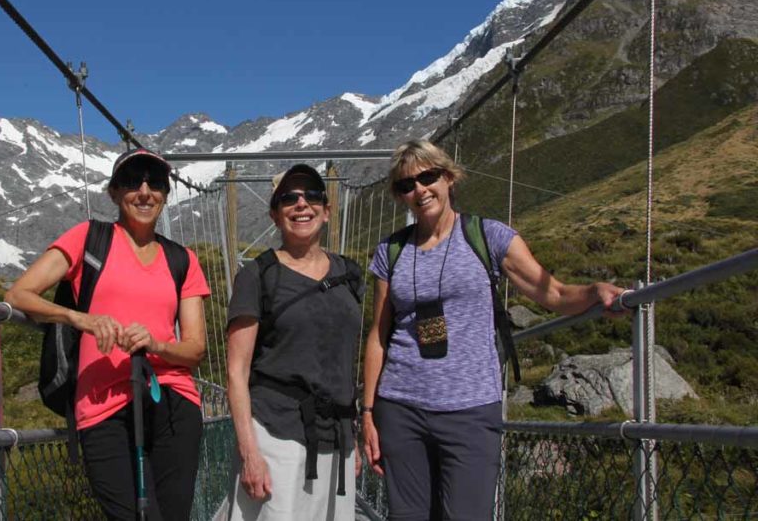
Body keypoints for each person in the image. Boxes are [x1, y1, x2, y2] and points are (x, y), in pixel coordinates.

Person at [361, 140, 625, 520]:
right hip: (401, 407)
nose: (419, 190)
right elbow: (378, 335)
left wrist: (595, 293)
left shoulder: (489, 237)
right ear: (400, 196)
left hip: (469, 409)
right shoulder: (391, 251)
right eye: (407, 185)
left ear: (449, 177)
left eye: (428, 177)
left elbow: (550, 291)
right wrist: (368, 412)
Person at [5, 148, 210, 521]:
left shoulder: (183, 259)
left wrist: (157, 343)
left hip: (171, 398)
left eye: (156, 181)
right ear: (114, 193)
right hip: (103, 404)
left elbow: (196, 348)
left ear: (165, 192)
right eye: (133, 181)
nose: (145, 191)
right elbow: (18, 294)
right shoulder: (89, 239)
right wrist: (78, 318)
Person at [226, 164, 364, 520]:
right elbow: (237, 373)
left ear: (327, 210)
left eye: (312, 195)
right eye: (289, 198)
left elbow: (343, 363)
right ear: (275, 214)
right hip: (276, 434)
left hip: (338, 439)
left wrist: (353, 439)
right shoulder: (257, 276)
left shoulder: (350, 275)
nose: (302, 204)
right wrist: (249, 453)